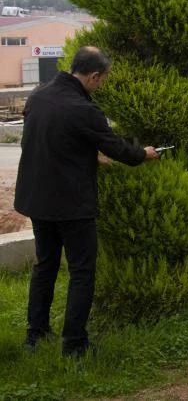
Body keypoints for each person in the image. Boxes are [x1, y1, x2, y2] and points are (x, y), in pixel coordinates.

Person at [14, 46, 159, 357]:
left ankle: (35, 336)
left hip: (37, 199)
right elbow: (121, 150)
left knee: (46, 265)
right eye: (102, 80)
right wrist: (143, 153)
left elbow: (49, 137)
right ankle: (75, 345)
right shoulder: (84, 109)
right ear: (94, 76)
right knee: (82, 270)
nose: (101, 85)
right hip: (70, 203)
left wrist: (89, 154)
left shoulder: (38, 96)